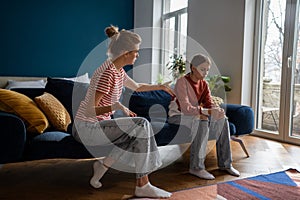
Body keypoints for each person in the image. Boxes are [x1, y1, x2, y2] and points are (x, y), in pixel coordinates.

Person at [73, 25, 174, 198]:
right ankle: (143, 185)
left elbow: (137, 86)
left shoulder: (117, 71)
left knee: (135, 132)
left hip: (96, 126)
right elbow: (90, 111)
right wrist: (116, 107)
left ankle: (102, 167)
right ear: (126, 52)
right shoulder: (108, 73)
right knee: (141, 124)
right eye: (136, 51)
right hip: (86, 128)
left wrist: (161, 86)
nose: (138, 54)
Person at [168, 54, 240, 180]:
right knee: (201, 120)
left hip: (195, 114)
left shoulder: (204, 84)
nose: (205, 73)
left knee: (222, 120)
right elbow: (186, 108)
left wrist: (216, 110)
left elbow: (208, 103)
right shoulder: (182, 82)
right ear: (193, 68)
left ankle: (225, 164)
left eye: (207, 70)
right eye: (202, 69)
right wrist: (207, 112)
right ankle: (196, 167)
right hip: (178, 115)